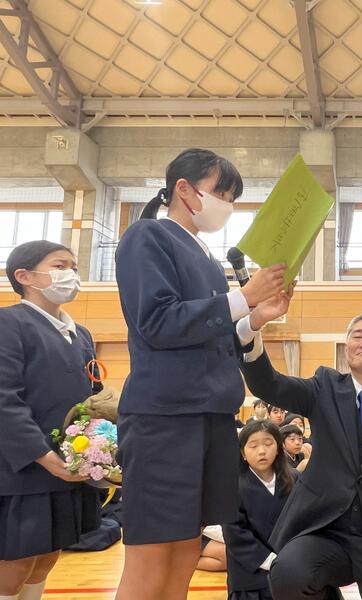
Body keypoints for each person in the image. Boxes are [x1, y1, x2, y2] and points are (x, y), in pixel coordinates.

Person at [113, 148, 287, 600]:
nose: (226, 205)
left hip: (211, 417)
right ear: (184, 190)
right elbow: (157, 321)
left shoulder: (207, 258)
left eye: (232, 198)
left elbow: (214, 336)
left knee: (187, 551)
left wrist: (254, 318)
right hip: (166, 417)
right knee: (152, 555)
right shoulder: (148, 236)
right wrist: (242, 299)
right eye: (221, 193)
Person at [239, 300, 362, 600]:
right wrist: (251, 329)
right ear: (347, 347)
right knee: (289, 573)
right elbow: (269, 385)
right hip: (324, 531)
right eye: (357, 335)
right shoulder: (323, 387)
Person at [0, 241, 102, 600]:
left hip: (68, 464)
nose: (71, 274)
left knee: (48, 555)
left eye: (74, 267)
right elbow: (4, 398)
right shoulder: (8, 323)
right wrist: (42, 455)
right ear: (24, 276)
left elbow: (93, 399)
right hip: (22, 467)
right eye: (60, 266)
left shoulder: (81, 334)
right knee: (15, 562)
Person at [223, 420, 297, 600]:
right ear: (243, 453)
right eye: (253, 446)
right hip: (250, 577)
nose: (262, 451)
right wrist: (269, 560)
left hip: (291, 569)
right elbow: (234, 532)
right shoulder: (232, 485)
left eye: (268, 443)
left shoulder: (296, 479)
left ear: (278, 448)